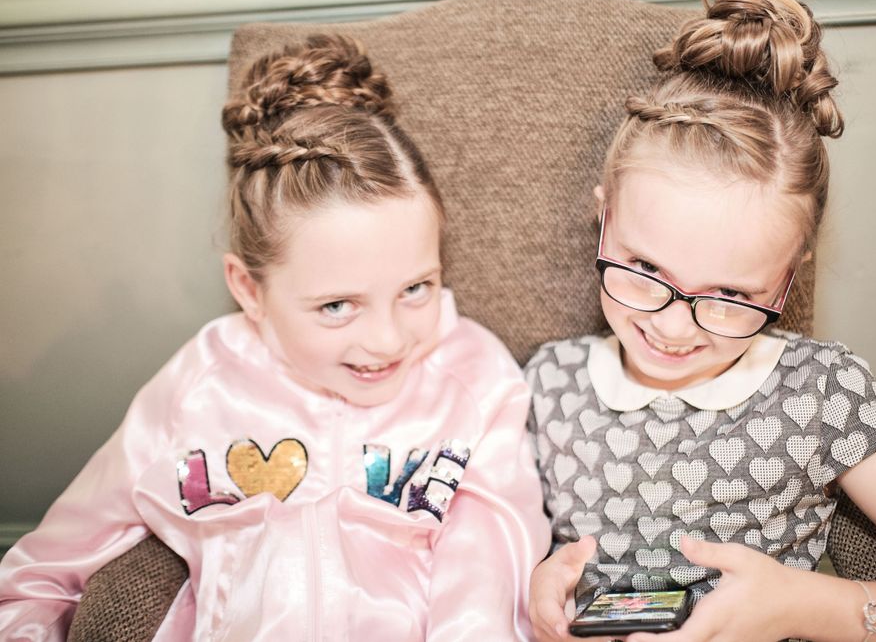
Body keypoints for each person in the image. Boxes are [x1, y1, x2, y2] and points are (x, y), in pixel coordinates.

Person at [0, 34, 548, 641]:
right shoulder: (202, 385)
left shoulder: (473, 377)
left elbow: (490, 570)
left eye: (416, 288)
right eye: (337, 306)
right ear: (249, 289)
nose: (389, 339)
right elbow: (39, 576)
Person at [525, 0, 876, 642]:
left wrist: (805, 604)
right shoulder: (547, 383)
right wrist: (535, 580)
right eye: (645, 269)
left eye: (730, 294)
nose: (674, 327)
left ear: (789, 274)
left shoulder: (821, 393)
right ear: (603, 218)